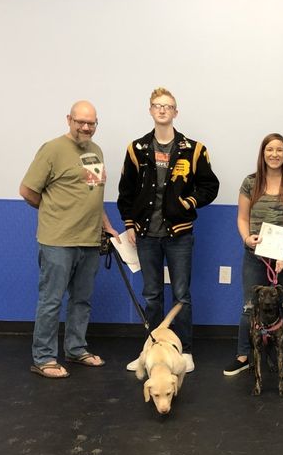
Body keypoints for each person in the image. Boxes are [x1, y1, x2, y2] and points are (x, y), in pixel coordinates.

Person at [118, 87, 220, 374]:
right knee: (151, 295)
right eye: (157, 105)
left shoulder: (194, 149)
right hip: (146, 235)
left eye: (168, 106)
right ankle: (150, 350)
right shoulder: (136, 149)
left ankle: (184, 350)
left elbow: (210, 186)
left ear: (176, 112)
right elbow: (126, 191)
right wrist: (129, 224)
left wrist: (188, 202)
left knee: (181, 294)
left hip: (179, 234)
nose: (162, 110)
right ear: (150, 110)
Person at [20, 100, 120, 379]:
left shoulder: (95, 151)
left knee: (82, 300)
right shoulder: (52, 149)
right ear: (69, 120)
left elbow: (93, 194)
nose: (86, 127)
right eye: (80, 122)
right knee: (51, 301)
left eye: (91, 123)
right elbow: (27, 191)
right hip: (58, 241)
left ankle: (76, 349)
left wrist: (107, 227)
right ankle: (44, 358)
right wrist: (55, 212)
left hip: (89, 240)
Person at [223, 133, 283, 379]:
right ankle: (243, 356)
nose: (274, 154)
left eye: (279, 150)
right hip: (256, 255)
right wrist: (246, 238)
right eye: (269, 149)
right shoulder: (250, 183)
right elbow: (242, 218)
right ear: (263, 153)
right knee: (249, 307)